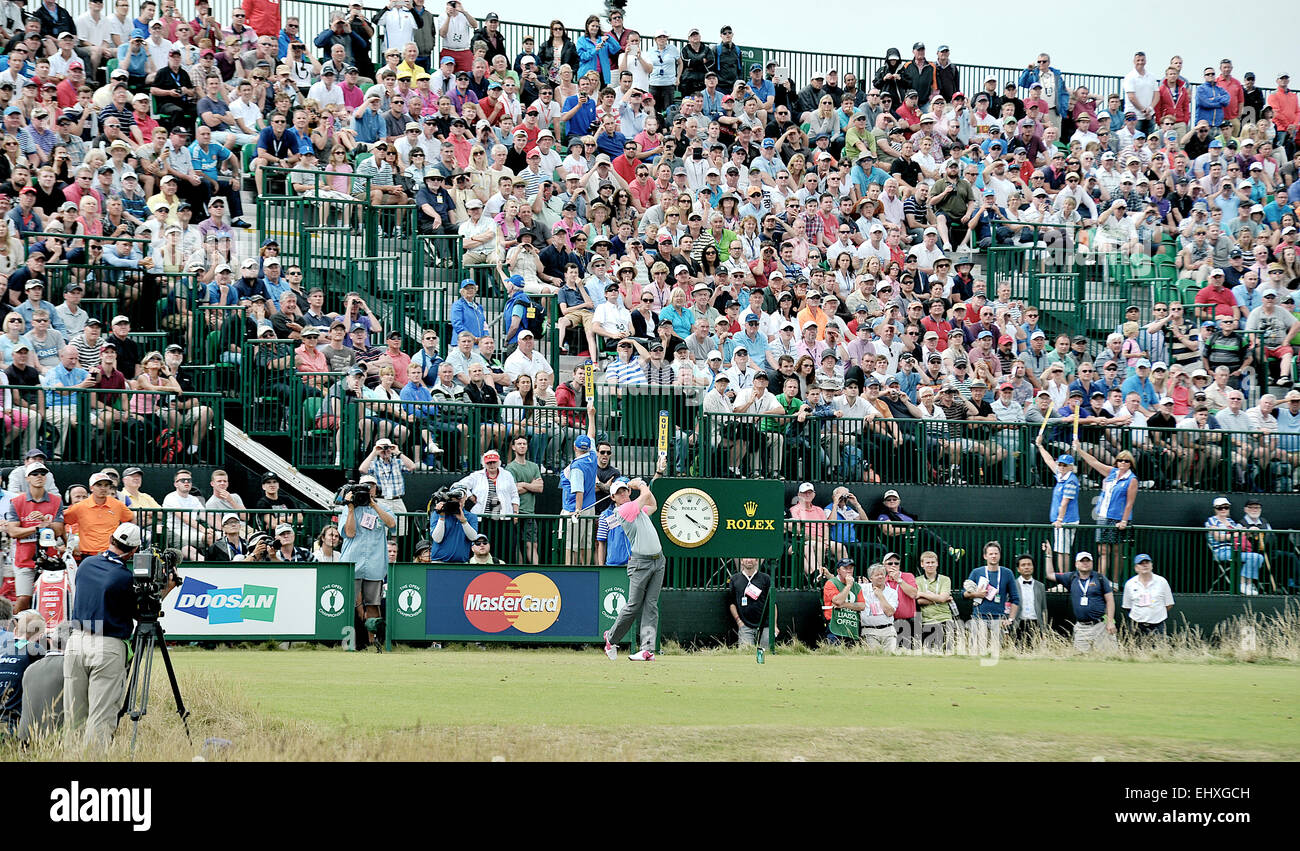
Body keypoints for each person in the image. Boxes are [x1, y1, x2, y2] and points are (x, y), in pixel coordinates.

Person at [63, 522, 173, 750]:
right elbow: (143, 613)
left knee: (74, 713)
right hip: (107, 646)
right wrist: (166, 589)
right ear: (133, 551)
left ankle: (71, 758)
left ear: (111, 539)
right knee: (101, 715)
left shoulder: (86, 564)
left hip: (75, 642)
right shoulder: (125, 578)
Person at [601, 477, 664, 662]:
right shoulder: (623, 510)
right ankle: (611, 638)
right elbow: (645, 495)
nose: (623, 494)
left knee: (651, 605)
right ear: (613, 497)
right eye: (618, 493)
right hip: (640, 564)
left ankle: (647, 650)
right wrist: (641, 485)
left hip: (658, 561)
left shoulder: (638, 509)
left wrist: (640, 487)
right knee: (633, 606)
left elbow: (653, 503)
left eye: (625, 490)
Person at [340, 474, 396, 649]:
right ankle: (346, 642)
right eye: (364, 486)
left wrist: (373, 504)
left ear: (375, 489)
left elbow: (392, 524)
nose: (367, 489)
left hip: (374, 563)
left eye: (371, 486)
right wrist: (350, 508)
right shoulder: (349, 508)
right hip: (352, 562)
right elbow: (349, 533)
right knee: (347, 603)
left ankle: (374, 642)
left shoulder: (383, 507)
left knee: (373, 603)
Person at [1072, 441, 1137, 582]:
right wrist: (1079, 450)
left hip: (1118, 518)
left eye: (1126, 461)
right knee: (1102, 551)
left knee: (1116, 551)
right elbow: (1094, 462)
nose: (1123, 463)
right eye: (1120, 460)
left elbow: (1129, 502)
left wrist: (1124, 520)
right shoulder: (1112, 472)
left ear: (1130, 464)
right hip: (1103, 516)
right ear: (1117, 462)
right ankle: (1102, 580)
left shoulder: (1132, 480)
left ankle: (1114, 582)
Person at [1043, 550, 1117, 651]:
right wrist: (1048, 555)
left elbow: (1110, 601)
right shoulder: (1071, 577)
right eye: (1082, 561)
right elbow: (1049, 574)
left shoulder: (1100, 578)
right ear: (1076, 564)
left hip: (1100, 626)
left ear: (1092, 563)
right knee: (1081, 659)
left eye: (1088, 561)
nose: (1085, 563)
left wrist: (1110, 622)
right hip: (1081, 627)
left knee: (1107, 657)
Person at [963, 540, 1019, 656]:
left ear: (999, 555)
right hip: (979, 618)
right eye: (990, 554)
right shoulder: (977, 572)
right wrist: (976, 595)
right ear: (985, 556)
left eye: (996, 553)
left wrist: (1010, 619)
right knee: (976, 652)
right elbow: (964, 594)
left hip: (998, 619)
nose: (993, 556)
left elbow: (1015, 599)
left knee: (997, 653)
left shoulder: (1007, 573)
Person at [1036, 438, 1080, 576]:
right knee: (1061, 550)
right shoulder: (1061, 476)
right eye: (1060, 464)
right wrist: (1040, 446)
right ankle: (1063, 578)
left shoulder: (1071, 481)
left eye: (1064, 465)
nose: (1061, 467)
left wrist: (1060, 520)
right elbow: (1049, 461)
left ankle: (1063, 579)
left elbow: (1065, 502)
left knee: (1063, 551)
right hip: (1061, 521)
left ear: (1071, 467)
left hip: (1066, 521)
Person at [1204, 495, 1264, 595]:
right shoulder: (1212, 521)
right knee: (1254, 557)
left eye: (1226, 507)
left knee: (1258, 557)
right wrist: (1238, 533)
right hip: (1222, 552)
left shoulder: (1231, 522)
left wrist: (1250, 532)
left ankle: (1248, 584)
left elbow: (1239, 535)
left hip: (1235, 549)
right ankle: (1242, 584)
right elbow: (1218, 537)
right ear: (1215, 509)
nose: (1223, 509)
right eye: (1220, 508)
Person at [1122, 553, 1175, 638]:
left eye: (1147, 562)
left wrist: (1155, 614)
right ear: (1136, 568)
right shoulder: (1130, 584)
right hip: (1136, 625)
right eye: (1141, 563)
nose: (1145, 565)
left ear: (1152, 565)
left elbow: (1169, 604)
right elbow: (1127, 606)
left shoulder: (1162, 581)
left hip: (1157, 624)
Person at [914, 550, 956, 653]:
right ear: (922, 564)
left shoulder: (945, 579)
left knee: (947, 653)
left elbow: (942, 598)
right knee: (929, 653)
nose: (930, 565)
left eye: (933, 562)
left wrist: (923, 594)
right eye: (927, 563)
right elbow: (919, 601)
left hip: (944, 618)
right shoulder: (917, 580)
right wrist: (938, 598)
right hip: (926, 621)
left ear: (937, 563)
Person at [728, 557, 774, 648]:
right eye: (746, 558)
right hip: (745, 626)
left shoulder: (766, 578)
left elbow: (773, 603)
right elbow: (731, 603)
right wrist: (739, 622)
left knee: (767, 655)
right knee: (746, 654)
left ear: (757, 561)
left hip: (765, 625)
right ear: (741, 561)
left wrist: (774, 625)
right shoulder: (735, 579)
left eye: (752, 558)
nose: (749, 560)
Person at [429, 485, 479, 563]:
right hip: (439, 562)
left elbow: (473, 537)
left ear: (465, 497)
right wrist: (441, 516)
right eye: (455, 497)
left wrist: (463, 521)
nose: (458, 500)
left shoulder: (471, 517)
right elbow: (437, 539)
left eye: (460, 497)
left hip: (461, 563)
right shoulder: (438, 513)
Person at [819, 557, 863, 645]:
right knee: (834, 653)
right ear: (838, 571)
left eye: (851, 568)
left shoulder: (857, 586)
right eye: (845, 568)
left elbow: (862, 606)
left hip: (851, 625)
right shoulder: (831, 583)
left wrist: (844, 605)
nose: (849, 571)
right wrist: (848, 586)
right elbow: (837, 601)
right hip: (834, 624)